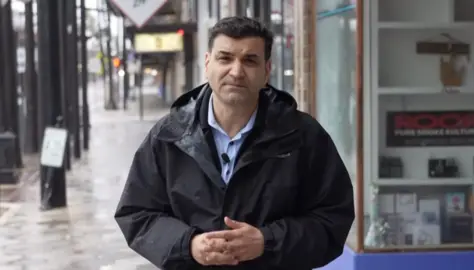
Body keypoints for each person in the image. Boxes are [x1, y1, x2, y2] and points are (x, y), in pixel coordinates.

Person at [115, 16, 355, 270]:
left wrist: (267, 241)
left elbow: (333, 219)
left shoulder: (303, 136)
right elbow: (136, 214)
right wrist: (188, 245)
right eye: (225, 58)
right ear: (207, 64)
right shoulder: (169, 135)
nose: (237, 71)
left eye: (250, 60)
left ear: (266, 71)